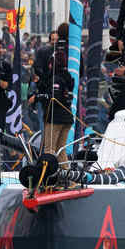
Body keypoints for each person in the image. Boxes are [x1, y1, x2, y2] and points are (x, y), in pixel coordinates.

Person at [33, 23, 74, 156]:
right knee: (60, 150)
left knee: (49, 149)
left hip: (54, 113)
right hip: (67, 113)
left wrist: (38, 96)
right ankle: (67, 175)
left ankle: (48, 174)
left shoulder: (56, 77)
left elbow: (53, 98)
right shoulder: (73, 54)